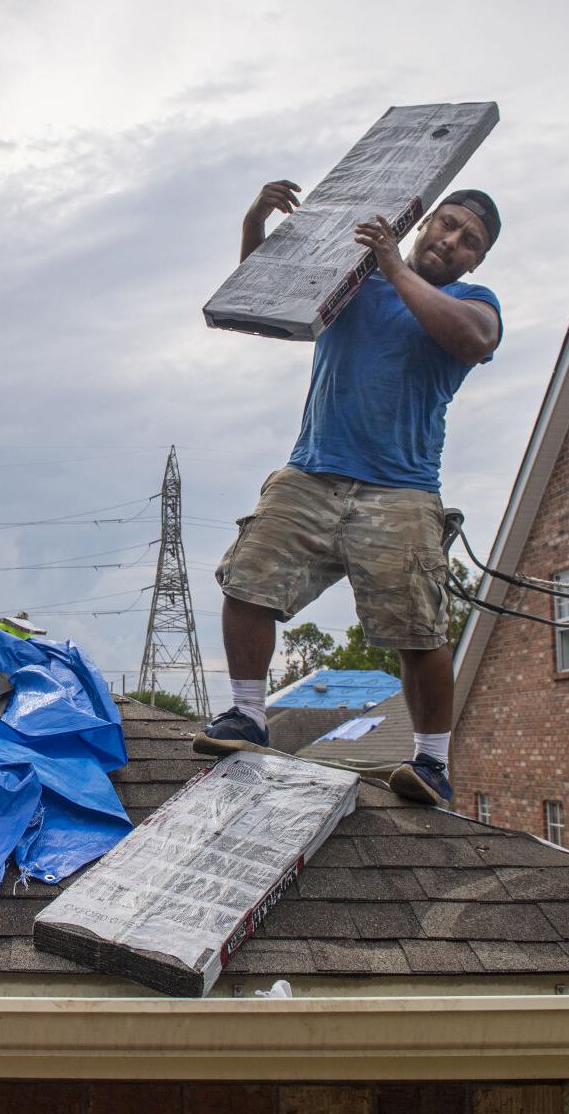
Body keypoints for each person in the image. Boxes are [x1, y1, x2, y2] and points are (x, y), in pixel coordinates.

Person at [206, 182, 502, 806]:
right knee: (248, 578)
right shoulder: (348, 283)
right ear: (424, 223)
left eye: (467, 240)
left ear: (476, 260)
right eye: (445, 225)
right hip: (313, 471)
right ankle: (248, 717)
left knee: (418, 630)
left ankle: (429, 762)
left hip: (400, 489)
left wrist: (393, 267)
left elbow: (474, 339)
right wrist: (253, 223)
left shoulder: (470, 299)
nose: (450, 241)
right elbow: (262, 297)